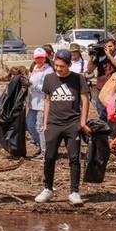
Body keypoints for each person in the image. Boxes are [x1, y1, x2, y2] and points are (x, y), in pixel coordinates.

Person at [35, 49, 90, 205]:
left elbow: (85, 100)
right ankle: (47, 189)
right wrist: (45, 123)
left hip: (73, 123)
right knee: (49, 157)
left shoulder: (78, 79)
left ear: (69, 65)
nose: (58, 69)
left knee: (74, 158)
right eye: (56, 65)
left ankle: (74, 192)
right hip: (53, 123)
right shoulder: (49, 79)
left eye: (61, 66)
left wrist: (83, 122)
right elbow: (47, 101)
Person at [26, 48, 51, 156]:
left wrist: (33, 86)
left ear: (45, 58)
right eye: (37, 58)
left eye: (41, 57)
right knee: (30, 124)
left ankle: (45, 152)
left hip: (42, 102)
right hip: (32, 102)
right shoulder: (35, 68)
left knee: (40, 127)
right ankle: (40, 145)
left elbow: (48, 87)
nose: (39, 60)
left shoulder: (48, 70)